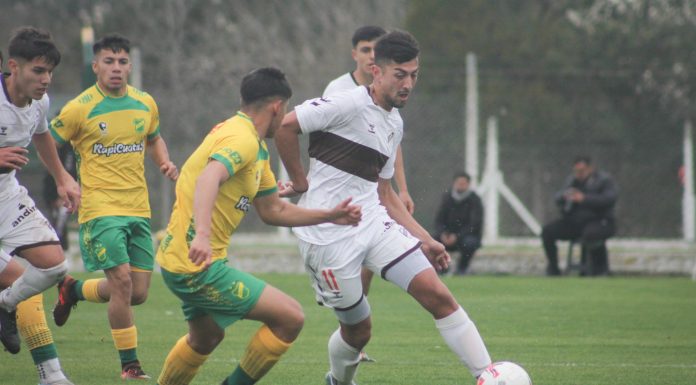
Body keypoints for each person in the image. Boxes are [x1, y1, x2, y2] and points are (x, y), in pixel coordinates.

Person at [275, 30, 491, 385]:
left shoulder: (394, 123)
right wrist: (300, 182)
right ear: (376, 71)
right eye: (399, 74)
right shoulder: (347, 102)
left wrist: (424, 239)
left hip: (373, 223)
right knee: (358, 332)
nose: (408, 83)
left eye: (414, 74)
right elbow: (285, 126)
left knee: (438, 295)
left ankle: (488, 375)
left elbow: (386, 195)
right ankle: (338, 381)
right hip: (327, 236)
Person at [155, 67, 361, 385]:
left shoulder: (254, 145)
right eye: (288, 109)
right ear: (277, 107)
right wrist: (204, 238)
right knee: (290, 318)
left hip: (185, 259)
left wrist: (329, 214)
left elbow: (273, 210)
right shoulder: (241, 139)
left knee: (205, 338)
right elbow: (210, 177)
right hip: (196, 264)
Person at [49, 33, 178, 380]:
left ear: (130, 65)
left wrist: (164, 162)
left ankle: (73, 289)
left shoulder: (144, 103)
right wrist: (63, 179)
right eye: (109, 61)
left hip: (138, 207)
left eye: (122, 62)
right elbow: (46, 139)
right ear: (96, 66)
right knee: (120, 282)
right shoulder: (79, 107)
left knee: (137, 293)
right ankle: (130, 366)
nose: (116, 68)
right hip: (99, 208)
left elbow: (154, 137)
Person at [0, 27, 81, 385]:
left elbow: (42, 134)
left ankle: (3, 307)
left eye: (49, 71)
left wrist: (63, 178)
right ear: (14, 67)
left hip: (5, 196)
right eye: (38, 71)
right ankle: (51, 375)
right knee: (16, 278)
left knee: (53, 266)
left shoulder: (40, 102)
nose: (46, 79)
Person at [542, 156, 618, 276]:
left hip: (600, 221)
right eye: (576, 171)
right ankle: (553, 268)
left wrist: (584, 199)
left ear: (590, 168)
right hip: (575, 222)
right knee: (547, 231)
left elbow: (609, 199)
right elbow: (558, 197)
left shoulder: (604, 180)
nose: (579, 174)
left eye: (582, 171)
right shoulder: (572, 181)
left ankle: (599, 269)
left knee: (591, 234)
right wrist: (564, 197)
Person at [433, 172, 483, 275]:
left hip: (466, 237)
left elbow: (475, 224)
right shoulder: (447, 198)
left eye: (463, 183)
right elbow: (439, 220)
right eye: (458, 183)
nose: (460, 186)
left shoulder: (475, 200)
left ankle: (462, 268)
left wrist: (457, 236)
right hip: (447, 236)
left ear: (468, 184)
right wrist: (443, 233)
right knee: (432, 242)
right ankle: (442, 267)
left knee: (469, 243)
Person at [42, 143, 77, 250]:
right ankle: (56, 245)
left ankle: (60, 245)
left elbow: (70, 170)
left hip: (67, 187)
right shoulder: (56, 150)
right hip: (54, 188)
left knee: (61, 219)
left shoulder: (70, 149)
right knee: (55, 218)